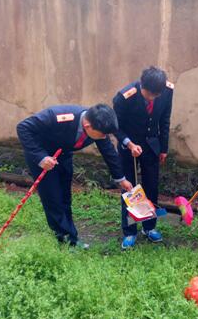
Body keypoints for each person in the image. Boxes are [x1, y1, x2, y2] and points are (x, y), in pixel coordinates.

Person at [16, 104, 133, 248]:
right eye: (102, 134)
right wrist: (41, 157)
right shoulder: (57, 116)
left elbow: (108, 151)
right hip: (43, 158)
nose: (104, 137)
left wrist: (121, 179)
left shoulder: (97, 126)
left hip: (63, 156)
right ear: (88, 126)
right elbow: (23, 128)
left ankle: (71, 237)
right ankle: (65, 240)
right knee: (53, 199)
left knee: (65, 197)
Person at [112, 66, 174, 249]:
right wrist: (129, 143)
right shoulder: (124, 97)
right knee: (130, 188)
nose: (151, 99)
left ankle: (149, 227)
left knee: (151, 186)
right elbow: (115, 126)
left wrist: (163, 147)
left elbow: (165, 119)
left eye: (155, 96)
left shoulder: (168, 91)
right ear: (141, 85)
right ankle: (130, 231)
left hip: (152, 146)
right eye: (148, 94)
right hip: (128, 147)